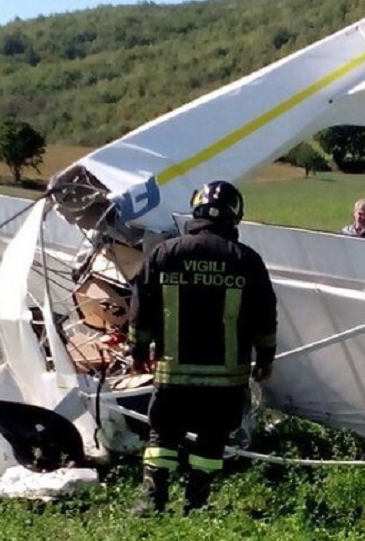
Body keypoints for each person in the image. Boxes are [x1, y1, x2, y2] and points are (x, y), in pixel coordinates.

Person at [128, 180, 278, 516]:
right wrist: (266, 358)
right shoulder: (246, 260)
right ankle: (195, 503)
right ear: (235, 215)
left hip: (173, 375)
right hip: (225, 380)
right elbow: (265, 316)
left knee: (162, 439)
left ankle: (151, 500)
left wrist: (138, 353)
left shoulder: (164, 254)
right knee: (211, 440)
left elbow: (142, 309)